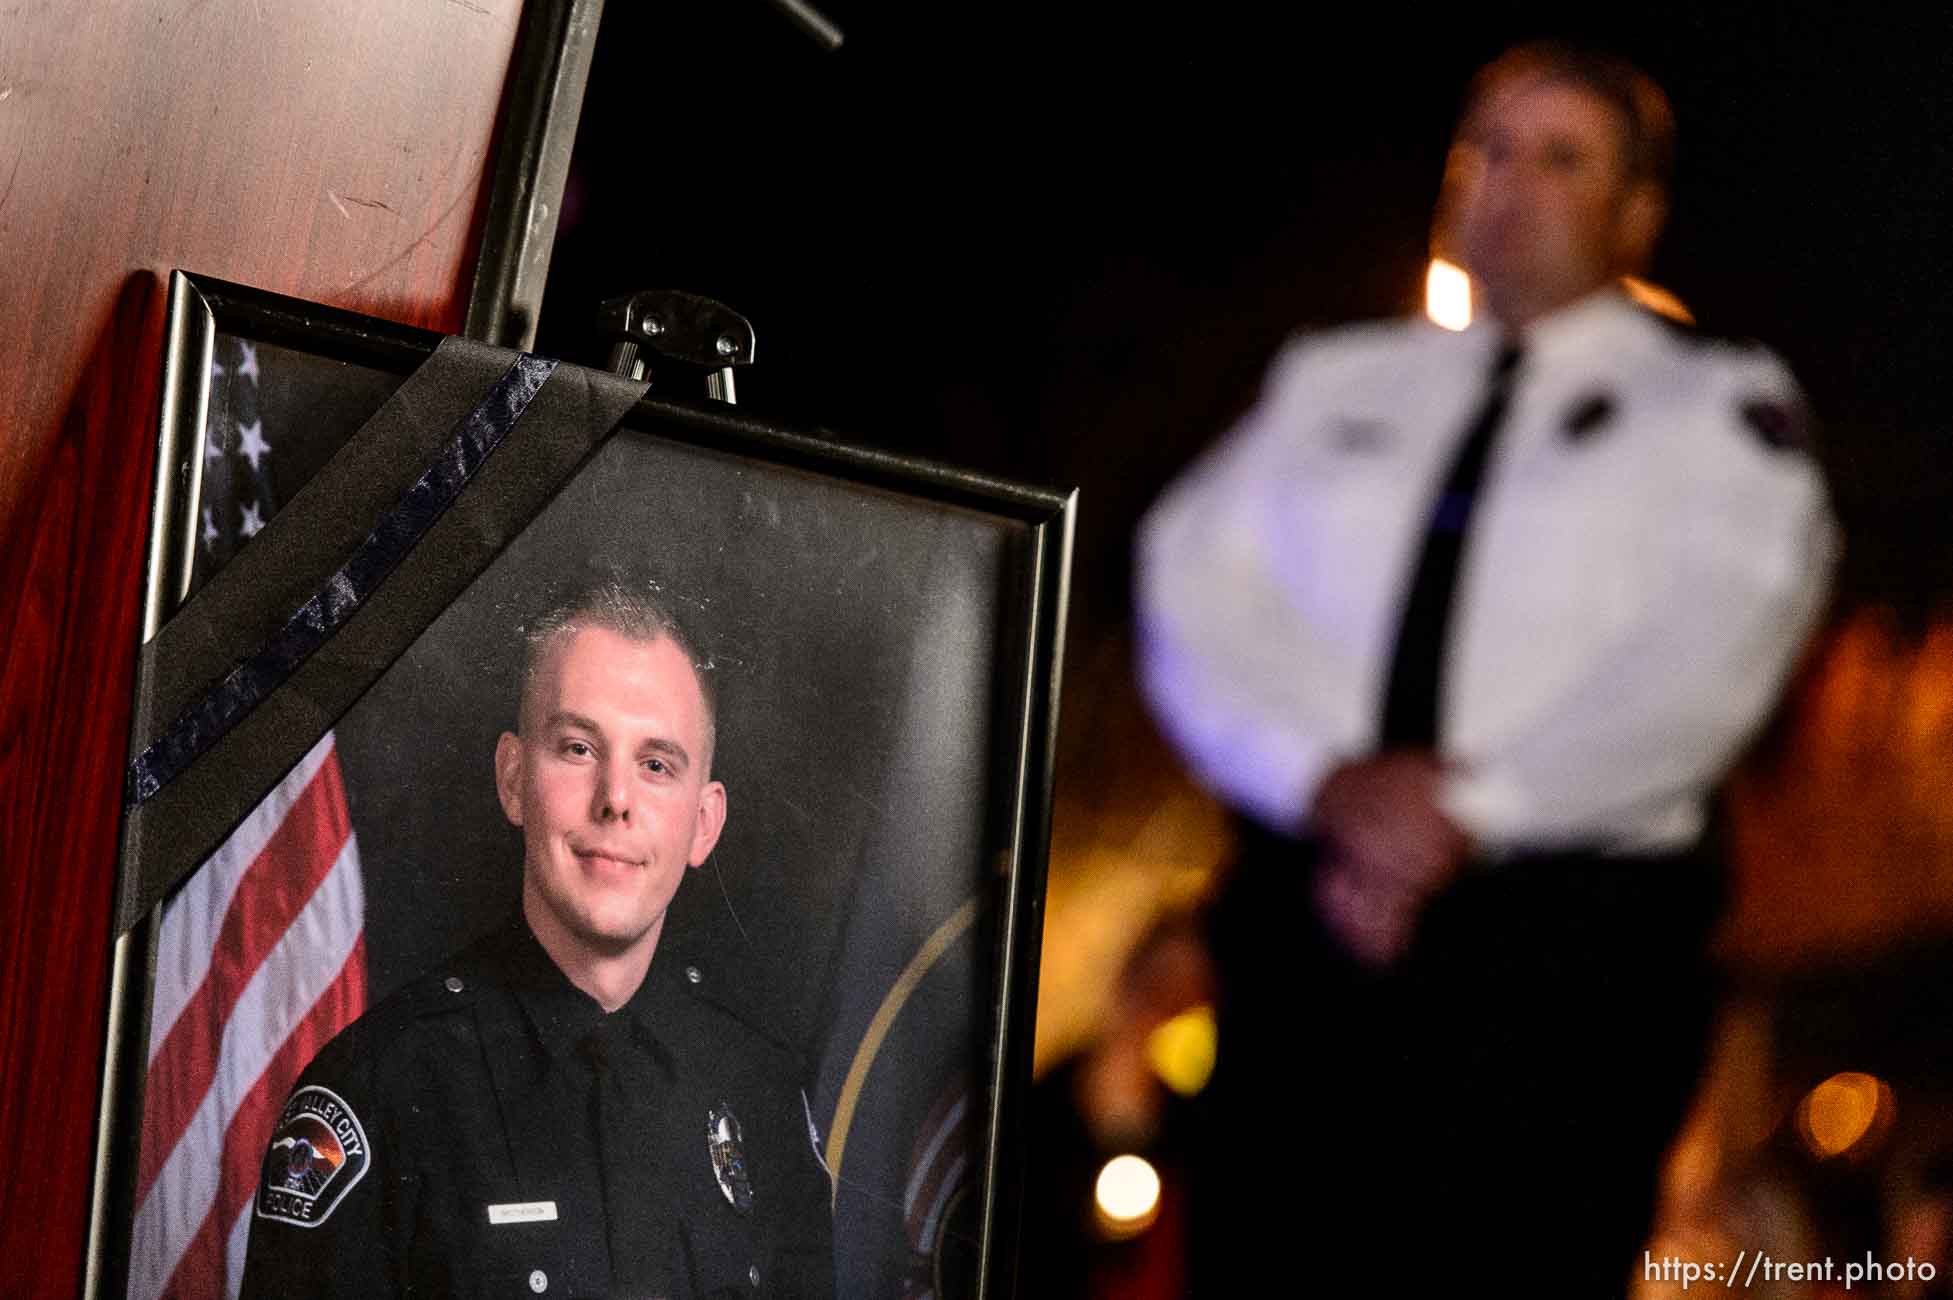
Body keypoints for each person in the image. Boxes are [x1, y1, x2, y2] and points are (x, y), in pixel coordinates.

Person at [1136, 41, 1838, 1295]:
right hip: (1311, 940)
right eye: (1488, 150)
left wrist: (1461, 812)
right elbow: (1193, 592)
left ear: (1637, 213)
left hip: (1560, 967)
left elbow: (1713, 651)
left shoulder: (1714, 408)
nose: (1509, 184)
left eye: (1561, 158)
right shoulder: (1333, 383)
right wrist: (1327, 784)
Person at [239, 579, 835, 1298]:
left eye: (655, 764)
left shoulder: (761, 1094)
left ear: (703, 822)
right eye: (579, 748)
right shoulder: (383, 1089)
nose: (616, 799)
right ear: (514, 778)